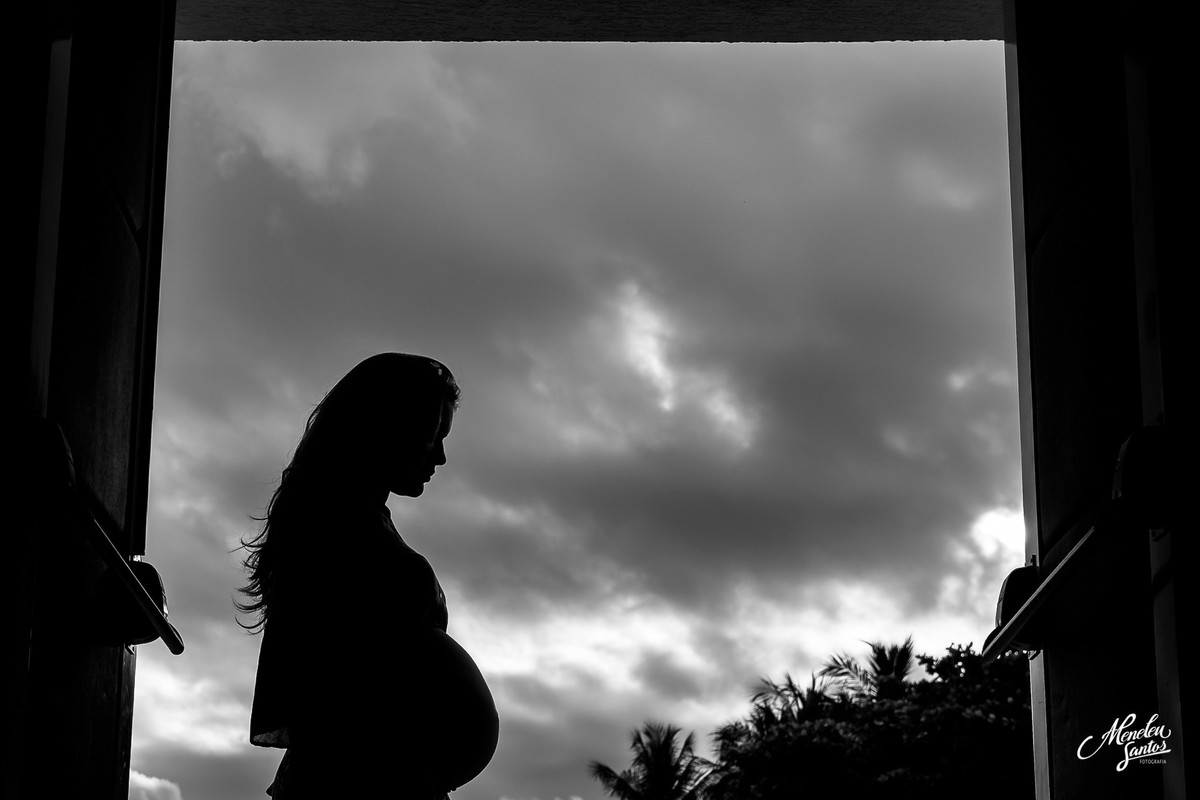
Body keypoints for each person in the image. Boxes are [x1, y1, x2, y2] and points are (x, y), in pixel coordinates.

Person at [239, 353, 498, 798]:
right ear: (392, 425)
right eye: (434, 435)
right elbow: (346, 680)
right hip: (358, 779)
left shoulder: (360, 520)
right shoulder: (329, 524)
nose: (440, 455)